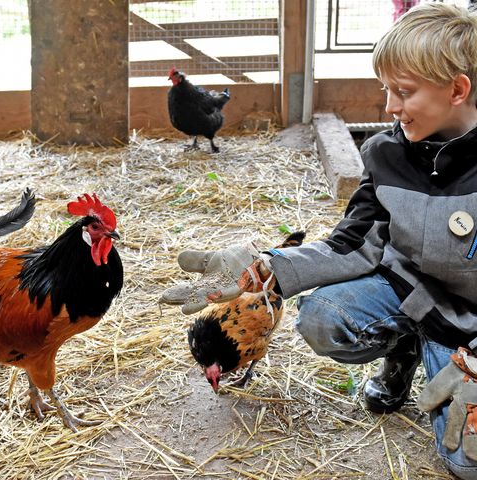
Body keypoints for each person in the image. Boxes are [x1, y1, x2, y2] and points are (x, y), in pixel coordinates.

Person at [159, 4, 477, 479]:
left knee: (467, 465)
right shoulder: (388, 154)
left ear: (457, 89)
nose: (389, 107)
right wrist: (266, 264)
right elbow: (354, 243)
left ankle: (438, 355)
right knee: (325, 317)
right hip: (410, 291)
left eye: (403, 92)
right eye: (385, 90)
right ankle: (404, 350)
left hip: (469, 324)